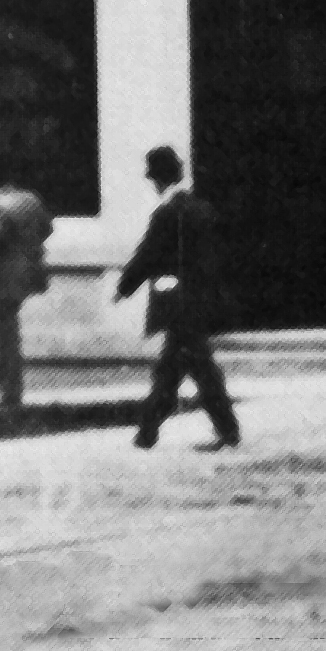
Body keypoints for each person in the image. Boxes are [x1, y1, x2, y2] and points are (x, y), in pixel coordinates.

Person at [113, 144, 238, 451]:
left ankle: (149, 433)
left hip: (178, 303)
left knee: (183, 369)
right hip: (198, 300)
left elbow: (147, 256)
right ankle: (150, 433)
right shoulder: (201, 209)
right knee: (185, 368)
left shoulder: (167, 214)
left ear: (157, 179)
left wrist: (123, 288)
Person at [0, 177, 54, 409]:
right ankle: (11, 391)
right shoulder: (32, 200)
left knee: (0, 340)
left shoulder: (0, 208)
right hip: (22, 276)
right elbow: (47, 228)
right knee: (11, 335)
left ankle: (7, 393)